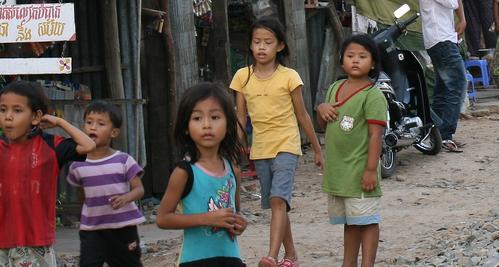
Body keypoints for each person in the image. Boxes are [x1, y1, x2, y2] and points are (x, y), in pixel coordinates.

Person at [230, 18, 323, 267]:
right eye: (257, 42)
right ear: (250, 45)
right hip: (260, 148)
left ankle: (270, 256)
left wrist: (316, 149)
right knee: (277, 203)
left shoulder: (289, 76)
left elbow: (302, 114)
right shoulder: (242, 77)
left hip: (287, 144)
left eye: (268, 42)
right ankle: (290, 255)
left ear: (279, 46)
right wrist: (234, 151)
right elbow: (240, 117)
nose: (262, 47)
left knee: (278, 200)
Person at [0, 81, 94, 267]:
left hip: (34, 242)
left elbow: (88, 145)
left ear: (36, 117)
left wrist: (59, 121)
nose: (8, 117)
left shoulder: (51, 146)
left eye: (17, 110)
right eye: (3, 110)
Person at [156, 82, 247, 267]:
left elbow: (235, 212)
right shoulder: (184, 172)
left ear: (228, 124)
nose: (206, 125)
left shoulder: (232, 169)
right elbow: (163, 218)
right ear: (186, 127)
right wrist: (207, 218)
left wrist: (239, 223)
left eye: (215, 117)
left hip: (231, 258)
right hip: (196, 261)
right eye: (197, 118)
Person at [316, 34, 387, 267]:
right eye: (350, 56)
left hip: (360, 170)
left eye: (362, 56)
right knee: (351, 221)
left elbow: (375, 135)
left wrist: (370, 169)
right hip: (339, 172)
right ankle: (348, 263)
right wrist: (321, 108)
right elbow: (322, 126)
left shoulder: (372, 95)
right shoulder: (334, 88)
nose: (356, 61)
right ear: (341, 61)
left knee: (367, 220)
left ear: (373, 63)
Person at [67, 101, 145, 267]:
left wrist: (126, 198)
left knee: (128, 263)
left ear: (114, 132)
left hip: (123, 228)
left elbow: (139, 189)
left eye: (101, 123)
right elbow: (83, 194)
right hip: (92, 230)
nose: (93, 127)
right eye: (89, 122)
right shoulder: (77, 164)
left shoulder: (123, 160)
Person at [417, 0, 468, 153]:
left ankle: (435, 133)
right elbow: (450, 2)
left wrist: (463, 20)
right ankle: (446, 133)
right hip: (439, 38)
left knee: (442, 88)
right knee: (457, 82)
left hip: (447, 36)